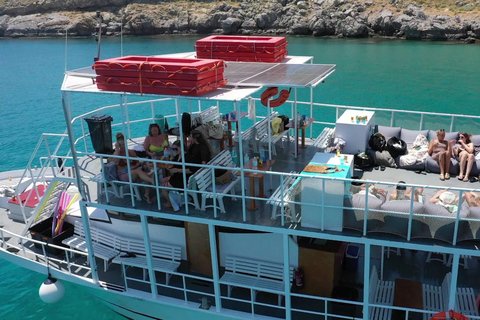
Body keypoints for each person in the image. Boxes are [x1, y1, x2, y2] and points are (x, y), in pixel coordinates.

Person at [161, 130, 212, 209]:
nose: (189, 139)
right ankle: (175, 199)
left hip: (183, 179)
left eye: (175, 149)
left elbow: (193, 168)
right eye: (173, 149)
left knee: (163, 187)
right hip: (182, 177)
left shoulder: (188, 156)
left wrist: (177, 170)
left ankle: (171, 203)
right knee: (163, 181)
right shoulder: (181, 155)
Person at [112, 132, 154, 202]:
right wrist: (117, 149)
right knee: (139, 172)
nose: (122, 146)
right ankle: (154, 182)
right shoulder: (117, 154)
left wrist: (134, 166)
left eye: (123, 144)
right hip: (123, 175)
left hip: (134, 171)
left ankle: (147, 195)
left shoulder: (131, 152)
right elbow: (115, 160)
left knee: (145, 175)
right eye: (120, 145)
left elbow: (137, 163)